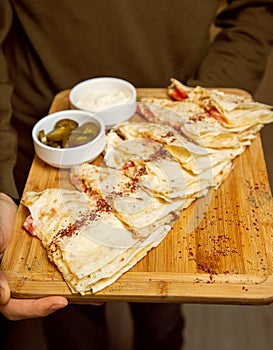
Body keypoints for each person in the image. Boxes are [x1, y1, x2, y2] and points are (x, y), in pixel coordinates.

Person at [0, 0, 273, 348]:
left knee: (162, 315)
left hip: (181, 127)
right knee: (72, 329)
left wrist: (203, 108)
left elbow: (256, 9)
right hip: (45, 149)